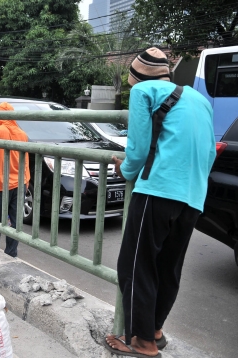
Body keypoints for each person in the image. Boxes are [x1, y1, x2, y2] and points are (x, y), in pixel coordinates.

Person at [104, 47, 216, 358]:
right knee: (169, 266)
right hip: (192, 195)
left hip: (158, 190)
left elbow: (137, 150)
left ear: (136, 77)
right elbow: (208, 152)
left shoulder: (143, 89)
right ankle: (154, 328)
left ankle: (142, 343)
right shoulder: (200, 100)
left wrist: (123, 168)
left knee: (135, 265)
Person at [0, 102, 30, 257]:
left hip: (1, 183)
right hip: (21, 181)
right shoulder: (22, 134)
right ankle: (11, 252)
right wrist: (27, 178)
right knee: (16, 221)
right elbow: (26, 159)